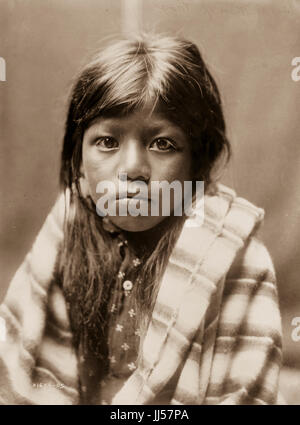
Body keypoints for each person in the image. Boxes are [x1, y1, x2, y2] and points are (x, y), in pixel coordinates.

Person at [0, 33, 283, 405]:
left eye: (162, 143)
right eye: (107, 142)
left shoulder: (233, 254)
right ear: (78, 156)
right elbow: (21, 365)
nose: (133, 168)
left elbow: (245, 390)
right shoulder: (67, 229)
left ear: (198, 161)